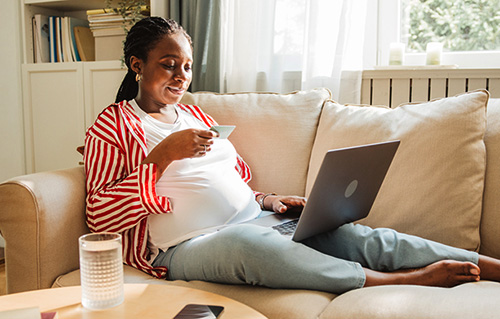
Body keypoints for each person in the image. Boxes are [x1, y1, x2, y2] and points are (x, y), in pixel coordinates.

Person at [84, 17, 500, 294]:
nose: (180, 76)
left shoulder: (195, 113)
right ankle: (395, 281)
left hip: (258, 218)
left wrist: (269, 200)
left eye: (187, 67)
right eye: (168, 64)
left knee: (355, 235)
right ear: (137, 65)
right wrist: (162, 155)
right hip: (185, 245)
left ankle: (487, 264)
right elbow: (99, 215)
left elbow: (231, 180)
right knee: (251, 246)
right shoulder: (113, 125)